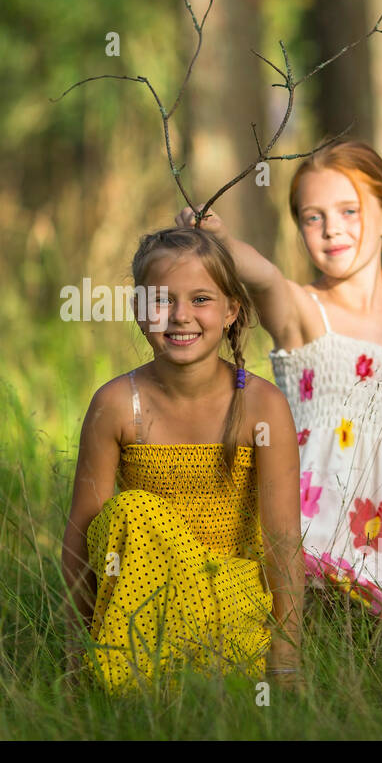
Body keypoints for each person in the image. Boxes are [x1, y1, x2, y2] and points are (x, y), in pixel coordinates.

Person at [177, 139, 382, 658]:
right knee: (301, 625)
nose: (332, 229)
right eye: (313, 217)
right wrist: (217, 238)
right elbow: (259, 274)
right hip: (315, 527)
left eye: (349, 211)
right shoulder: (304, 311)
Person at [61, 226, 304, 694]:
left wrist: (287, 658)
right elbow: (81, 535)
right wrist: (77, 649)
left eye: (200, 300)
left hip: (230, 602)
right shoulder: (116, 403)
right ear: (137, 310)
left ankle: (203, 672)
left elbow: (283, 539)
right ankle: (130, 680)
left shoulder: (261, 405)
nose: (179, 316)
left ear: (232, 310)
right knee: (129, 512)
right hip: (143, 605)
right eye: (161, 300)